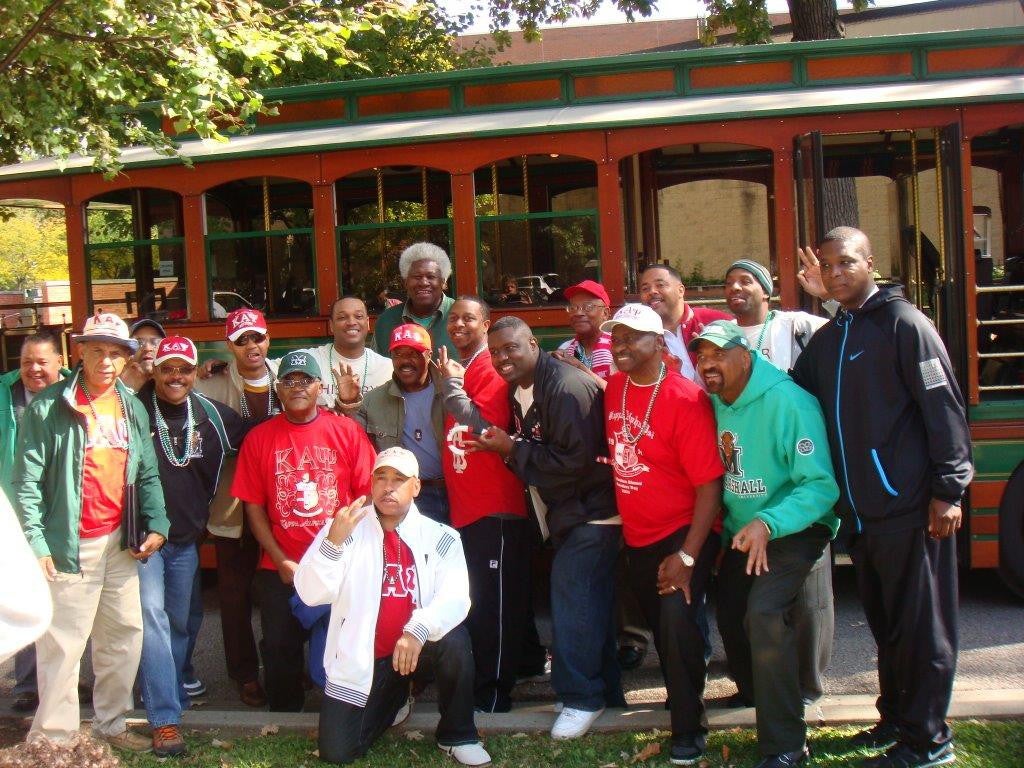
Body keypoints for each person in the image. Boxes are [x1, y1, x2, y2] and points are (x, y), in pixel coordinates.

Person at [792, 227, 973, 768]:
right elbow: (792, 395)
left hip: (910, 508)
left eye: (846, 262)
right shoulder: (831, 337)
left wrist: (949, 489)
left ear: (871, 263)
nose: (836, 272)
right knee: (889, 628)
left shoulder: (905, 324)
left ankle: (928, 742)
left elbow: (944, 407)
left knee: (921, 631)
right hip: (861, 516)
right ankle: (895, 720)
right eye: (828, 265)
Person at [13, 311, 169, 751]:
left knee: (122, 638)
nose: (105, 361)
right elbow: (25, 482)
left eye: (115, 353)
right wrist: (36, 541)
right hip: (69, 543)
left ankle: (111, 725)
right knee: (63, 646)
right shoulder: (50, 407)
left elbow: (148, 473)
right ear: (79, 352)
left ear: (126, 359)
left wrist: (157, 522)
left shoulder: (131, 405)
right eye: (96, 350)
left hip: (119, 544)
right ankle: (53, 738)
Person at [693, 320, 840, 768]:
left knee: (764, 614)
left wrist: (769, 522)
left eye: (718, 354)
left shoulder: (789, 402)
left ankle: (786, 744)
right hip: (745, 529)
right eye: (701, 356)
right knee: (732, 611)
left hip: (795, 528)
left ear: (746, 356)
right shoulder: (714, 401)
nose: (707, 363)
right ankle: (759, 696)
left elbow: (820, 486)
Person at [472, 315, 625, 740]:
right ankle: (606, 693)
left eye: (511, 348)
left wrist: (511, 447)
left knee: (572, 600)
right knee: (590, 605)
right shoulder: (520, 387)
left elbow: (574, 462)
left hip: (593, 510)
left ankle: (581, 698)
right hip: (569, 512)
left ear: (533, 344)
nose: (502, 358)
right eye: (495, 351)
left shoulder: (565, 387)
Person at [294, 447, 490, 766]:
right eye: (381, 478)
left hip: (418, 649)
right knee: (338, 752)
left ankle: (458, 735)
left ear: (416, 486)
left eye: (399, 479)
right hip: (366, 660)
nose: (388, 487)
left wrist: (417, 629)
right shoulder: (344, 530)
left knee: (455, 640)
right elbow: (310, 593)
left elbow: (456, 597)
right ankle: (397, 697)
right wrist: (331, 545)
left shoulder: (441, 537)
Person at [601, 304, 724, 765]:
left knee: (676, 625)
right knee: (665, 630)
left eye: (632, 336)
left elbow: (709, 487)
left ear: (658, 342)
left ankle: (689, 729)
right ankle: (684, 694)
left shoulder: (684, 398)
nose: (620, 345)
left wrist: (688, 556)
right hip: (638, 535)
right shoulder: (615, 387)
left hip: (683, 531)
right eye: (616, 337)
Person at [231, 349, 376, 711]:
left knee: (341, 646)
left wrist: (348, 555)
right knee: (280, 647)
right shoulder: (259, 438)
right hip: (281, 565)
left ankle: (342, 715)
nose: (297, 387)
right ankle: (285, 718)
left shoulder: (347, 431)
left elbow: (366, 497)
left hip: (338, 564)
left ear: (320, 387)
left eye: (305, 380)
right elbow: (253, 507)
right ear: (277, 389)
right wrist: (279, 559)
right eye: (289, 381)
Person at [723, 258, 835, 705]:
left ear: (766, 289)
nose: (736, 288)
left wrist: (827, 295)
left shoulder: (796, 324)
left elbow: (848, 333)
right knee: (748, 606)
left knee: (806, 601)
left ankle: (807, 689)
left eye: (746, 280)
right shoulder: (722, 337)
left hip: (798, 463)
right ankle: (755, 688)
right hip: (751, 478)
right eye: (729, 283)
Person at [136, 336, 250, 755]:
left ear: (194, 372)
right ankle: (165, 715)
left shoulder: (211, 415)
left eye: (184, 369)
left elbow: (259, 435)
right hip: (142, 540)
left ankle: (173, 677)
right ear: (154, 371)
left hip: (186, 538)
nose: (176, 377)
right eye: (167, 368)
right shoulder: (135, 408)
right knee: (153, 619)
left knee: (181, 620)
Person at [434, 297, 531, 712]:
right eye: (453, 318)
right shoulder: (461, 367)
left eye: (468, 318)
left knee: (494, 606)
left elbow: (485, 427)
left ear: (486, 324)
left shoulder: (490, 367)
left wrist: (451, 385)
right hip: (469, 507)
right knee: (487, 600)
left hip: (496, 505)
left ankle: (493, 694)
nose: (458, 324)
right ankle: (524, 663)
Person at [193, 307, 279, 707]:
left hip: (282, 505)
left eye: (256, 337)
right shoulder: (209, 384)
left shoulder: (289, 375)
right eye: (241, 340)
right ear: (229, 346)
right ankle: (244, 674)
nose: (251, 346)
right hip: (232, 506)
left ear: (268, 338)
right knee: (234, 596)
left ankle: (286, 666)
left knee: (284, 591)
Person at [0, 333, 70, 712]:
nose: (34, 369)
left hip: (65, 511)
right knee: (27, 595)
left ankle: (66, 680)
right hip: (17, 512)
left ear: (60, 361)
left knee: (67, 601)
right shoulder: (5, 395)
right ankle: (28, 683)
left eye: (42, 361)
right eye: (27, 362)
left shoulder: (76, 392)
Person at [354, 324, 448, 524]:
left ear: (429, 355)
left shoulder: (450, 390)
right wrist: (347, 403)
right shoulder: (373, 401)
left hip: (454, 490)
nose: (405, 361)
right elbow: (353, 442)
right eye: (398, 354)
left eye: (413, 354)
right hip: (405, 496)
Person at [639, 264, 731, 383]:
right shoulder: (642, 339)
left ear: (680, 290)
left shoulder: (716, 322)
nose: (652, 291)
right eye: (645, 289)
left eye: (660, 285)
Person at [306, 296, 393, 410]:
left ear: (367, 323)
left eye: (358, 316)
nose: (351, 322)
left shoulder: (388, 368)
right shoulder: (310, 360)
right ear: (331, 325)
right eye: (342, 317)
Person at [373, 242, 457, 357]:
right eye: (417, 277)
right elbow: (376, 364)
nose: (423, 283)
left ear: (444, 282)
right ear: (405, 282)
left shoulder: (461, 316)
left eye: (431, 277)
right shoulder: (386, 321)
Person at [553, 279, 616, 388]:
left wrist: (580, 368)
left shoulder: (618, 349)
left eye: (588, 307)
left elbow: (620, 393)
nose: (578, 313)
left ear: (605, 313)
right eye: (573, 308)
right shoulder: (565, 349)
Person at [119, 319, 166, 393]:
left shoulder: (174, 385)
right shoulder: (115, 386)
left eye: (155, 342)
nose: (147, 348)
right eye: (139, 343)